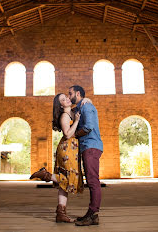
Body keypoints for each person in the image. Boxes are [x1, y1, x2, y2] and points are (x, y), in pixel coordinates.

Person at [30, 93, 89, 223]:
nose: (67, 99)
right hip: (67, 149)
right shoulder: (65, 116)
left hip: (72, 149)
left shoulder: (72, 112)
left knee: (64, 184)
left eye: (66, 97)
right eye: (63, 99)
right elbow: (68, 134)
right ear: (60, 106)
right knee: (68, 178)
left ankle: (60, 213)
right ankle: (45, 175)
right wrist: (78, 121)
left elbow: (83, 102)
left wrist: (86, 99)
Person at [69, 85, 103, 226]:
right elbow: (69, 113)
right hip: (87, 147)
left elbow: (88, 127)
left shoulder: (86, 106)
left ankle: (93, 213)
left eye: (70, 93)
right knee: (91, 181)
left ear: (77, 93)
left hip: (91, 146)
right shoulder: (79, 107)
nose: (69, 95)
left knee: (93, 181)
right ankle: (92, 216)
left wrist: (74, 135)